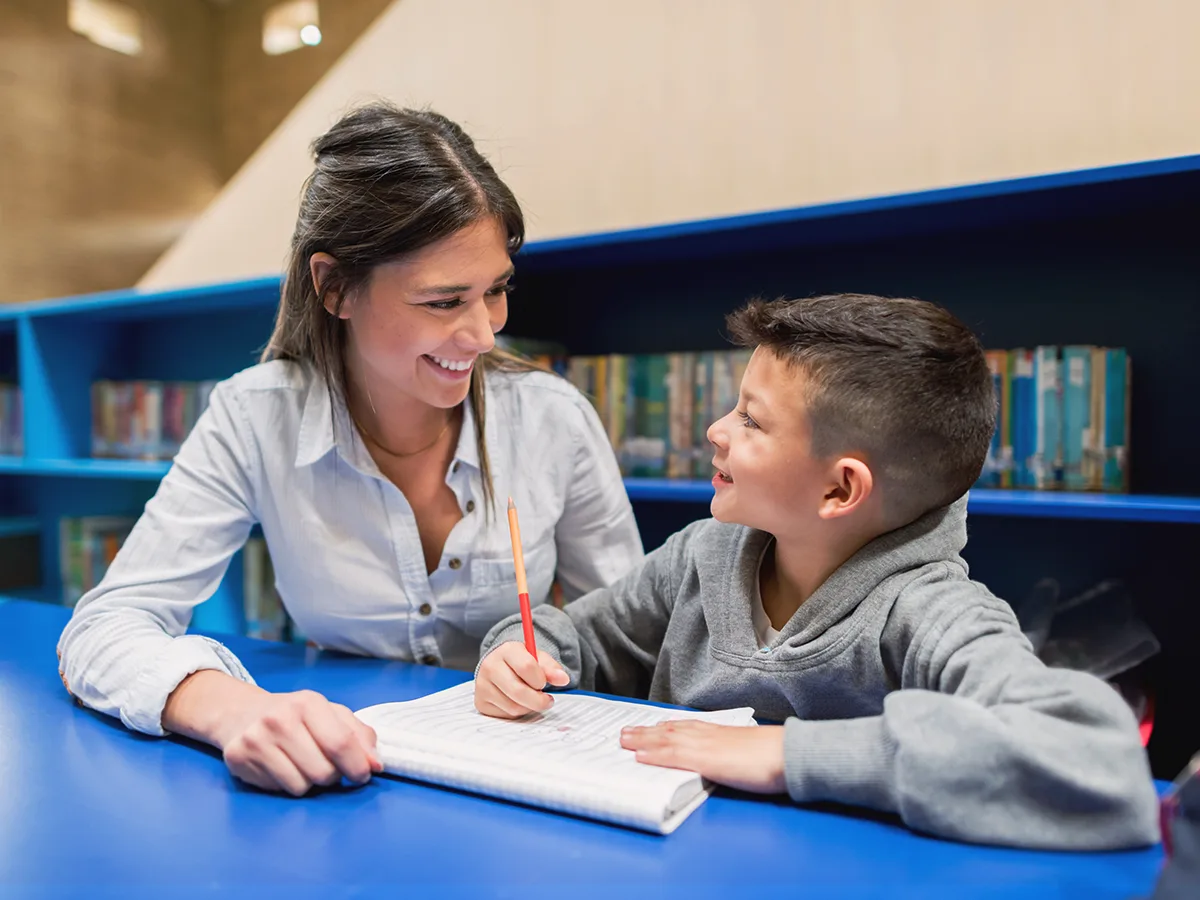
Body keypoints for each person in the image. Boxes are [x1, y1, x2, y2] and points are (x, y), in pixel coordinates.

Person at [57, 102, 643, 797]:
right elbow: (105, 625)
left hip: (525, 782)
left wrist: (549, 657)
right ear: (334, 287)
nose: (485, 335)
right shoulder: (256, 414)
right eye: (443, 301)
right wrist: (232, 709)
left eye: (496, 291)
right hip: (345, 777)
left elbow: (634, 631)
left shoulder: (553, 420)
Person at [475, 293, 1160, 849]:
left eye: (750, 420)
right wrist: (518, 650)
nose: (717, 430)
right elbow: (580, 641)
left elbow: (1097, 758)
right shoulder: (699, 554)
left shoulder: (932, 611)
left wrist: (785, 755)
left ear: (839, 490)